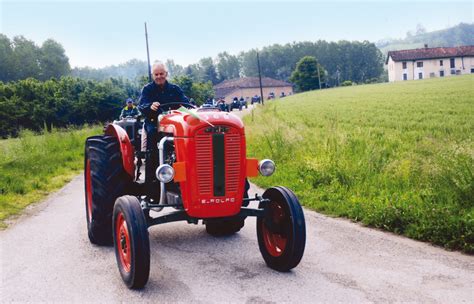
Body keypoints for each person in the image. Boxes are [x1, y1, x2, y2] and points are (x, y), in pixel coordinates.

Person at [138, 61, 190, 188]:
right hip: (154, 122)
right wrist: (150, 106)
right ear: (153, 75)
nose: (159, 76)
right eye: (156, 74)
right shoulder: (147, 89)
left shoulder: (175, 89)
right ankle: (152, 181)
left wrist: (185, 106)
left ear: (166, 74)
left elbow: (185, 103)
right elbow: (142, 106)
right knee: (152, 135)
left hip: (174, 123)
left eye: (161, 73)